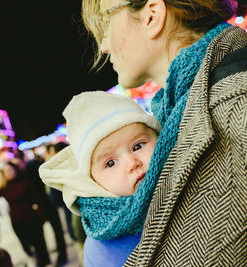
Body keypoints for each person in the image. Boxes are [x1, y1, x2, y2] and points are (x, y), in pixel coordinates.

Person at [79, 0, 247, 265]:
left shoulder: (236, 104)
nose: (103, 45)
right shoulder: (177, 116)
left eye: (104, 22)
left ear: (151, 16)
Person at [39, 91, 161, 266]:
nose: (132, 163)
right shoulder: (99, 248)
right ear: (94, 181)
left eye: (138, 146)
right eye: (111, 163)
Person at [0, 161, 51, 267]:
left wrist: (41, 214)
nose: (9, 173)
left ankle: (43, 262)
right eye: (6, 171)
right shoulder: (4, 187)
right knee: (25, 244)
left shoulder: (26, 182)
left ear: (15, 170)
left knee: (39, 244)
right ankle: (33, 259)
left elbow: (37, 198)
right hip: (17, 221)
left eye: (10, 170)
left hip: (32, 218)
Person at [24, 149, 69, 265]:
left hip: (45, 204)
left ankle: (61, 255)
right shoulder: (28, 169)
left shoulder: (34, 168)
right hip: (41, 205)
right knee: (46, 233)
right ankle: (52, 256)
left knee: (56, 231)